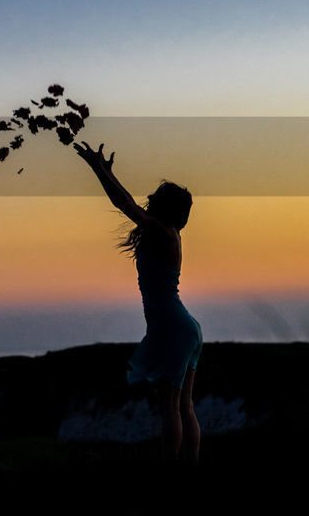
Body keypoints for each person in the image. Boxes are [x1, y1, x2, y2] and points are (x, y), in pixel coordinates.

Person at [73, 141, 202, 465]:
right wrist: (108, 172)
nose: (151, 199)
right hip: (183, 327)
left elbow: (125, 204)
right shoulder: (167, 234)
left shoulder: (163, 233)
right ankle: (189, 468)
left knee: (171, 408)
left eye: (157, 198)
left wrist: (98, 169)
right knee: (183, 407)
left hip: (174, 328)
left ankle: (172, 470)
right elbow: (130, 205)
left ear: (166, 207)